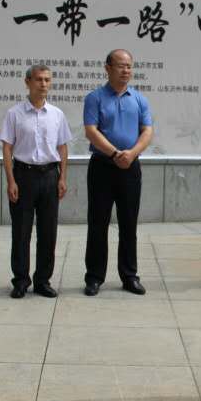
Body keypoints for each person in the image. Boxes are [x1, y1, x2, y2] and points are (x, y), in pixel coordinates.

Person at [82, 49, 153, 296]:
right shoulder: (95, 98)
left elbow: (147, 131)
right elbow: (91, 131)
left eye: (129, 66)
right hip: (102, 166)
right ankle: (94, 277)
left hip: (130, 168)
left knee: (129, 224)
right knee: (98, 223)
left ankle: (129, 276)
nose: (126, 70)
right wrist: (114, 154)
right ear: (107, 68)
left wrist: (131, 154)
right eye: (121, 65)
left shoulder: (139, 99)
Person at [0, 64, 71, 299]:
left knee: (48, 232)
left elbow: (62, 147)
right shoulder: (15, 114)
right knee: (21, 231)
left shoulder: (57, 114)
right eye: (39, 79)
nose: (43, 84)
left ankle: (43, 280)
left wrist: (62, 177)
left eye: (47, 80)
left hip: (50, 175)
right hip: (24, 175)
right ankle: (21, 280)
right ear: (27, 82)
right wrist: (11, 181)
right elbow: (7, 148)